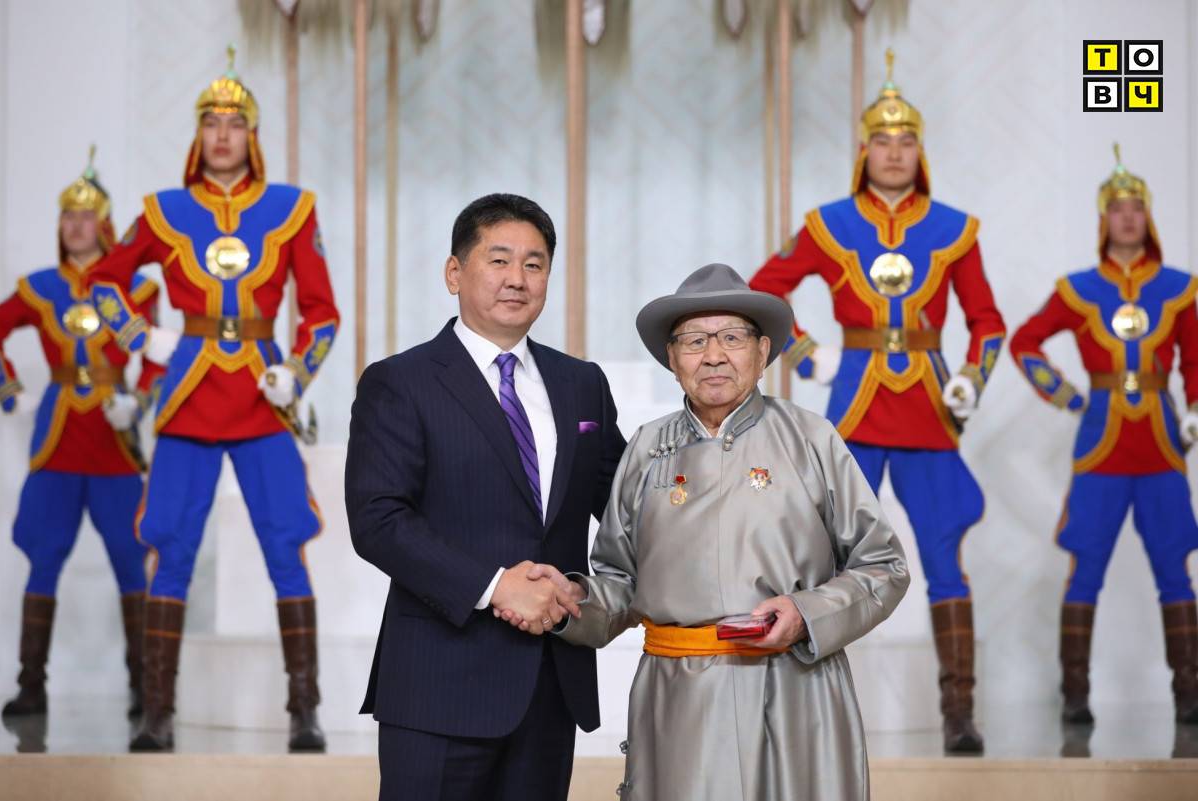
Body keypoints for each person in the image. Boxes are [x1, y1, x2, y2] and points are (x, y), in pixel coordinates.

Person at [535, 263, 907, 801]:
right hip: (677, 700)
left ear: (762, 351)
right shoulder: (646, 449)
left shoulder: (811, 439)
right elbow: (620, 581)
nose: (713, 355)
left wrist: (807, 614)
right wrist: (571, 601)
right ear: (672, 359)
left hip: (795, 689)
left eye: (732, 337)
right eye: (694, 341)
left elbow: (884, 566)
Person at [747, 49, 1004, 752]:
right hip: (855, 405)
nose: (895, 151)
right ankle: (805, 708)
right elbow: (762, 290)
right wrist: (807, 354)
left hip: (928, 408)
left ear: (921, 151)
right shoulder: (828, 222)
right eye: (883, 140)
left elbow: (988, 322)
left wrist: (971, 378)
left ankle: (958, 711)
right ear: (864, 151)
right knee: (822, 555)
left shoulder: (955, 228)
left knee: (944, 552)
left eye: (907, 139)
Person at [85, 46, 340, 752]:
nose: (222, 134)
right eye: (210, 122)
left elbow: (321, 311)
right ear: (197, 135)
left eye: (235, 123)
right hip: (188, 397)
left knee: (285, 544)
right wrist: (141, 336)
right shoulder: (161, 212)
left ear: (252, 136)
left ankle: (304, 710)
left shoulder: (293, 209)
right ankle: (157, 714)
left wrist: (298, 372)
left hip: (262, 396)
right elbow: (103, 283)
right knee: (170, 547)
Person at [345, 193, 626, 801]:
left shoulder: (582, 383)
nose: (517, 278)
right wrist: (496, 585)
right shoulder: (401, 381)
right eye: (499, 260)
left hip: (550, 682)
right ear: (455, 273)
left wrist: (587, 589)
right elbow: (378, 519)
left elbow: (630, 508)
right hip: (439, 684)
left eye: (534, 264)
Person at [1009, 144, 1198, 726]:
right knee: (1085, 566)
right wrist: (1068, 396)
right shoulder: (1078, 289)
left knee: (1174, 566)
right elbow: (1024, 342)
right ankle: (1075, 693)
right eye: (1118, 208)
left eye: (1137, 207)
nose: (1128, 217)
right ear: (1103, 219)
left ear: (1149, 216)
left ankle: (1190, 693)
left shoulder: (1180, 288)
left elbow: (1195, 361)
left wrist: (1195, 408)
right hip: (1100, 446)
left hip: (1162, 445)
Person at [0, 148, 162, 721]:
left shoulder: (136, 288)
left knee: (130, 558)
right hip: (58, 441)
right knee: (44, 557)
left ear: (106, 225)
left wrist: (138, 402)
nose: (75, 225)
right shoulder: (40, 287)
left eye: (86, 216)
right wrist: (7, 389)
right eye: (67, 215)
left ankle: (144, 686)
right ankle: (31, 685)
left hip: (114, 443)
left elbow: (158, 356)